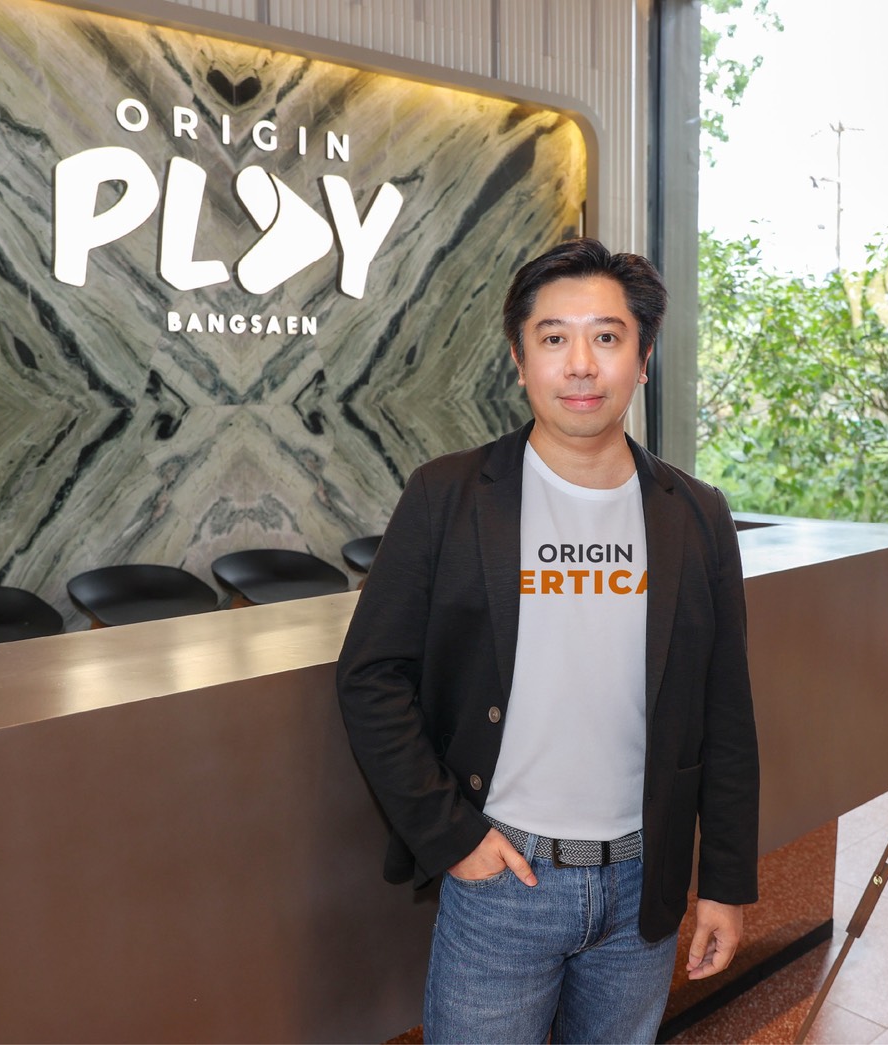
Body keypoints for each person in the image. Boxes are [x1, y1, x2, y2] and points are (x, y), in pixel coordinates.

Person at [337, 237, 759, 1044]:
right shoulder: (448, 495)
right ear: (518, 358)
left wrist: (724, 881)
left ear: (642, 360)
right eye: (554, 337)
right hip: (503, 875)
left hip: (643, 884)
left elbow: (725, 709)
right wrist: (452, 836)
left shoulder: (696, 513)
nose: (580, 364)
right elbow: (371, 675)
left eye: (606, 337)